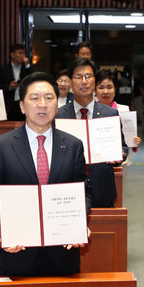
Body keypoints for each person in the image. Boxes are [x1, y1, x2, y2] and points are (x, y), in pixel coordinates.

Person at [0, 72, 91, 277]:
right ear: (22, 106)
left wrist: (79, 224)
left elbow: (83, 192)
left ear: (56, 104)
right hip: (18, 251)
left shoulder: (73, 144)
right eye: (34, 98)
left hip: (63, 251)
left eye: (49, 98)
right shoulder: (2, 146)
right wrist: (1, 229)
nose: (42, 104)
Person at [57, 58, 128, 208]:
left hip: (102, 190)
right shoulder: (59, 116)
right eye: (78, 77)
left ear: (95, 81)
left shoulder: (110, 114)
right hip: (67, 191)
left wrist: (120, 155)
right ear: (70, 82)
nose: (84, 81)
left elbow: (123, 148)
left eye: (88, 76)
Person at [95, 69, 142, 150]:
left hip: (121, 158)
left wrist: (135, 142)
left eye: (109, 87)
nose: (105, 91)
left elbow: (130, 142)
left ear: (115, 90)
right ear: (95, 90)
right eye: (101, 88)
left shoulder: (124, 110)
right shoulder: (89, 111)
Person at [0, 44, 32, 121]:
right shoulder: (4, 68)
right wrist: (9, 86)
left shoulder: (26, 67)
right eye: (20, 53)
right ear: (12, 55)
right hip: (9, 104)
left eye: (24, 53)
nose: (22, 56)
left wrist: (27, 66)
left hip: (23, 103)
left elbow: (32, 80)